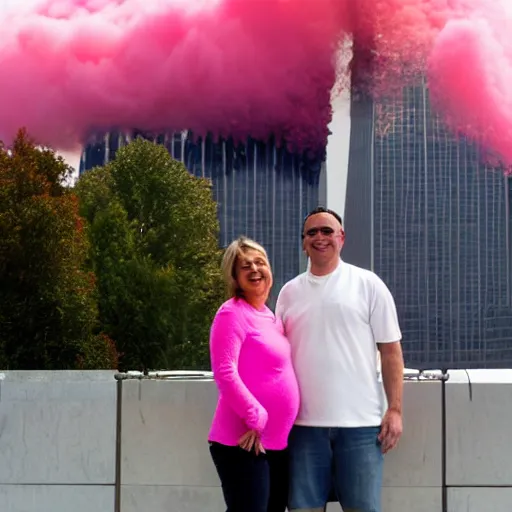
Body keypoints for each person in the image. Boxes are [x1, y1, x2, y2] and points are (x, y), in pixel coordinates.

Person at [276, 207, 404, 512]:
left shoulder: (369, 285)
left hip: (361, 426)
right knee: (302, 508)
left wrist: (396, 410)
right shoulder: (288, 293)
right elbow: (275, 359)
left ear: (341, 238)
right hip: (302, 426)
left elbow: (391, 351)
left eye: (327, 231)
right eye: (312, 233)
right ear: (303, 242)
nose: (320, 238)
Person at [208, 236, 300, 512]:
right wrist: (255, 416)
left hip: (275, 442)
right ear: (235, 278)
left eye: (260, 262)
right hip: (244, 441)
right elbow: (224, 371)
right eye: (245, 266)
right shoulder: (231, 314)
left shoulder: (269, 316)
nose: (255, 269)